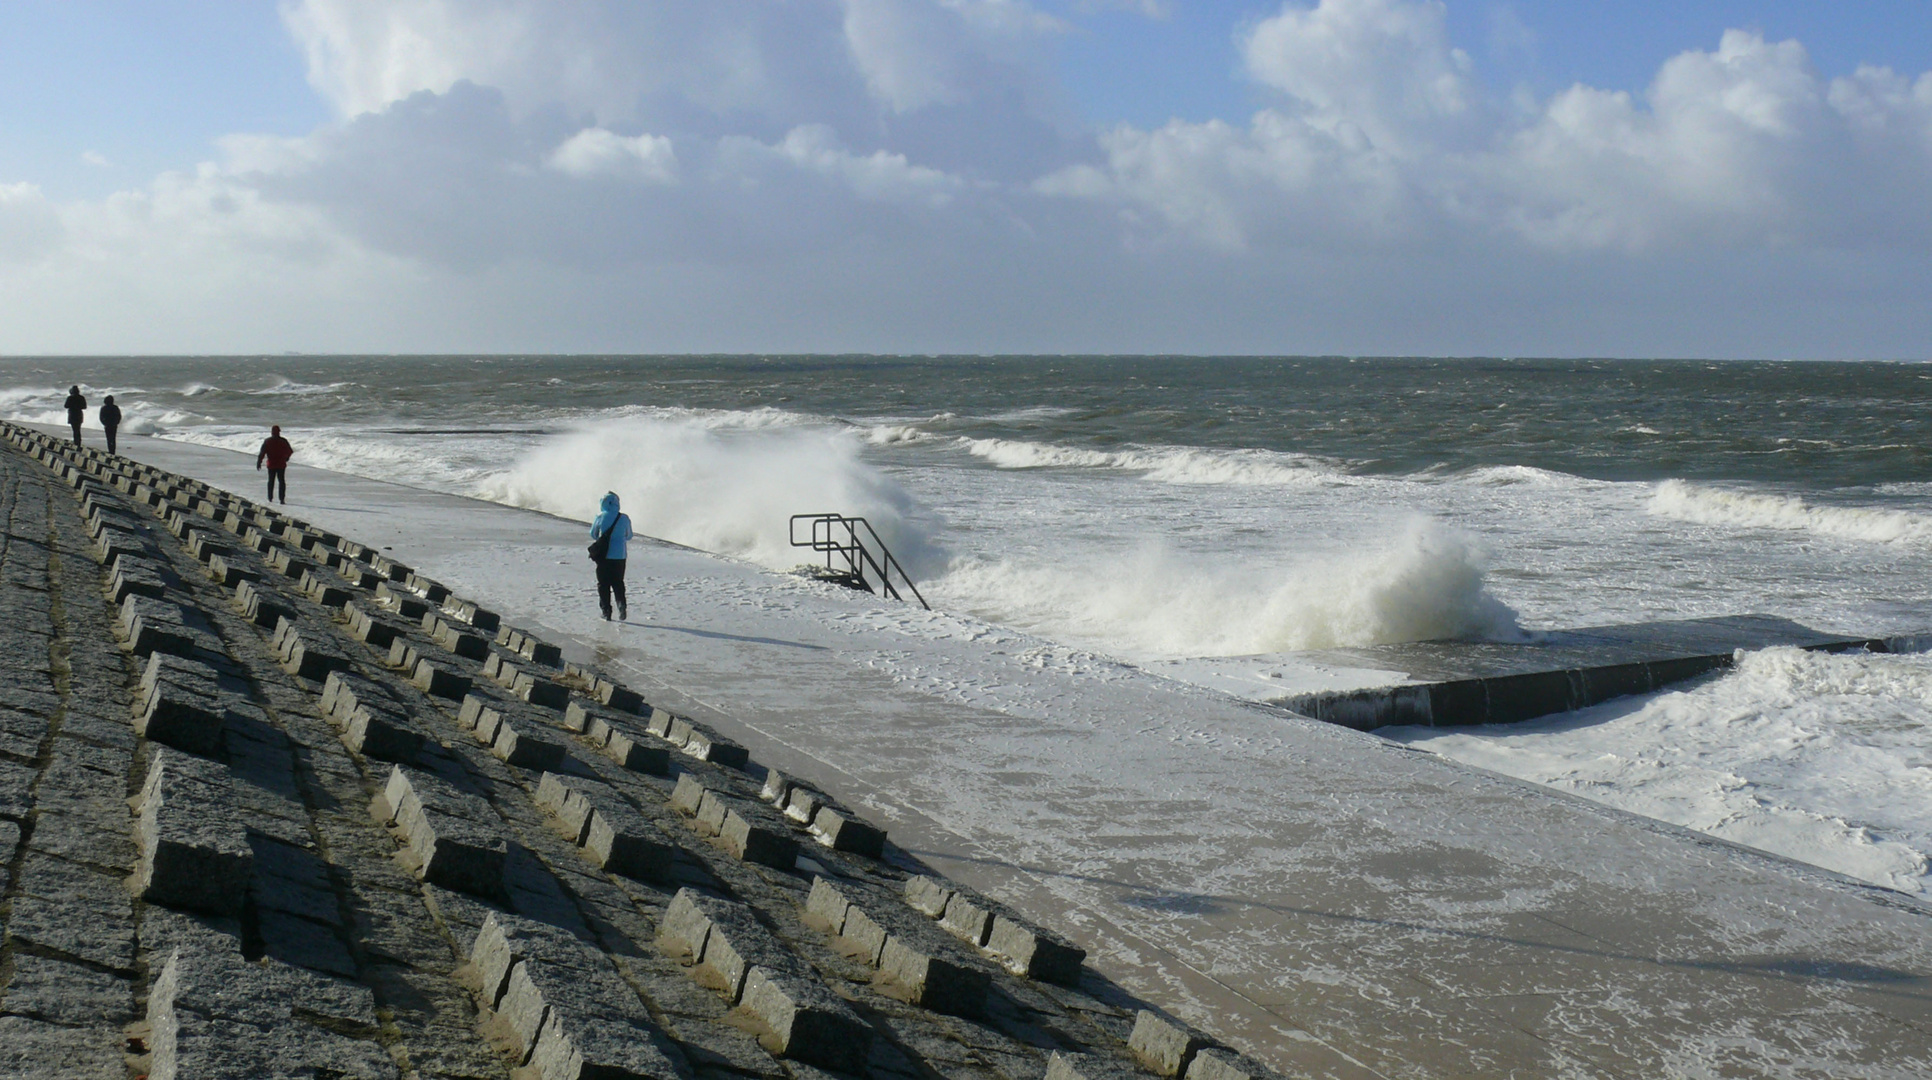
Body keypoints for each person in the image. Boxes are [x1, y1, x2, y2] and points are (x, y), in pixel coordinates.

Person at [589, 492, 633, 621]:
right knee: (618, 583)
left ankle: (606, 611)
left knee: (603, 584)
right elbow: (629, 536)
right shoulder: (624, 518)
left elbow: (593, 534)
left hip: (604, 556)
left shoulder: (600, 516)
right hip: (620, 556)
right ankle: (621, 605)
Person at [256, 425, 294, 503]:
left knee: (271, 481)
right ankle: (282, 499)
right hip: (281, 464)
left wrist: (259, 462)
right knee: (281, 481)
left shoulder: (267, 441)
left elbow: (262, 453)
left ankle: (270, 498)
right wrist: (286, 458)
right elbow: (290, 451)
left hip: (271, 464)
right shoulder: (283, 441)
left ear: (272, 432)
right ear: (279, 432)